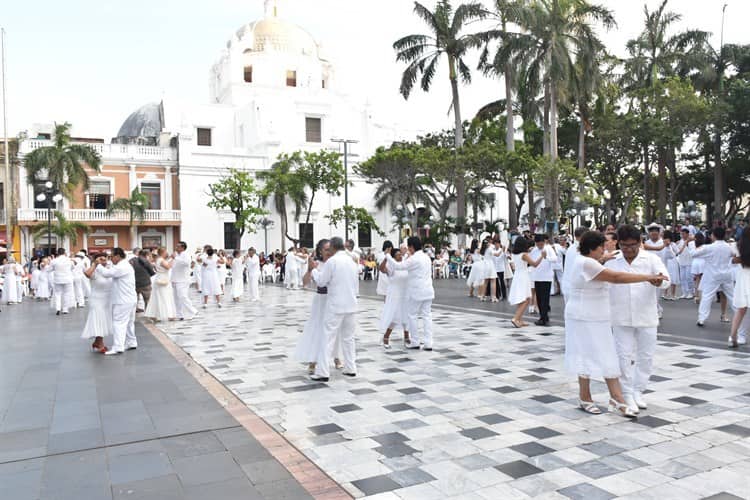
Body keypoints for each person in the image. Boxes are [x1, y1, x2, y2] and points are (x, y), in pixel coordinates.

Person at [565, 231, 666, 418]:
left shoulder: (589, 260)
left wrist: (607, 256)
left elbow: (604, 261)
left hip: (597, 315)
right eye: (602, 247)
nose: (605, 251)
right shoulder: (586, 263)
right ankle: (588, 397)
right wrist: (648, 277)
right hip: (583, 315)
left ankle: (616, 397)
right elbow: (616, 278)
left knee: (606, 355)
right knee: (586, 355)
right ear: (593, 248)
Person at [605, 225, 670, 414]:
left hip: (646, 315)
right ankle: (625, 394)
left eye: (632, 245)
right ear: (619, 243)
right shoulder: (612, 261)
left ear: (640, 243)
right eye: (624, 245)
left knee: (646, 356)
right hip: (620, 316)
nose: (628, 249)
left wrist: (659, 281)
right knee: (623, 357)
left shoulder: (651, 259)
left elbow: (667, 280)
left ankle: (638, 390)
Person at [311, 237, 359, 381]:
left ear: (333, 247)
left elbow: (321, 281)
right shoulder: (351, 261)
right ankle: (351, 367)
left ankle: (323, 372)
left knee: (328, 338)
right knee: (348, 338)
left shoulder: (332, 261)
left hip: (336, 305)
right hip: (351, 304)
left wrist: (313, 270)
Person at [386, 236, 435, 350]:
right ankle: (428, 343)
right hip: (428, 290)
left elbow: (398, 266)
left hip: (417, 292)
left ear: (412, 247)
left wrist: (388, 255)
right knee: (427, 316)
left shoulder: (414, 259)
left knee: (412, 316)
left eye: (408, 247)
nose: (408, 249)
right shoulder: (426, 257)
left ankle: (415, 341)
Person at [294, 239, 335, 374]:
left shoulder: (335, 262)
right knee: (318, 328)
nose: (329, 252)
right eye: (326, 249)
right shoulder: (317, 264)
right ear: (320, 251)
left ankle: (337, 356)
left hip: (334, 299)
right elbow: (305, 282)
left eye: (331, 249)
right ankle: (313, 359)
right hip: (321, 300)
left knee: (335, 328)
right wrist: (310, 269)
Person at [97, 247, 138, 355]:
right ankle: (131, 342)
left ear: (118, 256)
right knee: (129, 323)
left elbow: (107, 274)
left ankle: (118, 347)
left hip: (123, 300)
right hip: (129, 299)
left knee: (118, 323)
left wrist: (98, 265)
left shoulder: (122, 266)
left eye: (112, 256)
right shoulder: (123, 265)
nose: (110, 259)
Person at [694, 227, 737, 327]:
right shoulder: (729, 246)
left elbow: (694, 253)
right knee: (732, 296)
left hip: (713, 275)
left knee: (707, 296)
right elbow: (734, 254)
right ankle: (740, 315)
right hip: (726, 274)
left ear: (714, 236)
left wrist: (691, 244)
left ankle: (702, 319)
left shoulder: (709, 247)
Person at [378, 246, 411, 349]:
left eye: (400, 254)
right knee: (394, 316)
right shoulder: (392, 267)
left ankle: (407, 336)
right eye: (397, 255)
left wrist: (407, 253)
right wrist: (386, 258)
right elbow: (382, 269)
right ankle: (386, 337)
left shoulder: (404, 264)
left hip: (405, 293)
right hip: (395, 294)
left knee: (407, 315)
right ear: (393, 257)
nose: (399, 256)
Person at [508, 237, 544, 328]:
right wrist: (542, 256)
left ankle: (519, 319)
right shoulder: (524, 254)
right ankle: (516, 318)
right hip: (523, 276)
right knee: (527, 299)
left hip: (517, 275)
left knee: (521, 298)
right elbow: (535, 264)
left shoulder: (515, 254)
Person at [81, 253, 112, 353]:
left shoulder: (108, 269)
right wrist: (95, 264)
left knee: (103, 322)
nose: (103, 260)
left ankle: (97, 342)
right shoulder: (94, 270)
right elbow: (87, 274)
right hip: (97, 299)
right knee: (99, 320)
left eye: (105, 258)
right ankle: (100, 344)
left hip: (107, 299)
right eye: (101, 259)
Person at [530, 234, 558, 326]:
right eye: (538, 244)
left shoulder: (548, 248)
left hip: (546, 277)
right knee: (539, 298)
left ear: (544, 242)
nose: (540, 246)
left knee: (545, 298)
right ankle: (543, 316)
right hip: (537, 276)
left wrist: (546, 257)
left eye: (541, 244)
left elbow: (555, 259)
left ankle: (544, 317)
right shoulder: (534, 250)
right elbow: (531, 260)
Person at [729, 229, 750, 348]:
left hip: (742, 278)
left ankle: (733, 335)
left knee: (741, 310)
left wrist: (737, 259)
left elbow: (733, 259)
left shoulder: (737, 246)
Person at [144, 247, 177, 322]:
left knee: (158, 296)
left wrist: (170, 258)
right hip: (163, 279)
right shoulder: (161, 260)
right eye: (166, 252)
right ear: (163, 252)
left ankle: (156, 314)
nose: (167, 253)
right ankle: (167, 314)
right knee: (164, 296)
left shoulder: (158, 259)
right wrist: (173, 259)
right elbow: (168, 267)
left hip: (159, 278)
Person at [171, 242, 198, 321]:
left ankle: (192, 311)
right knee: (176, 298)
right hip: (175, 279)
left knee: (182, 296)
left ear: (182, 248)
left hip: (183, 280)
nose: (176, 247)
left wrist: (176, 258)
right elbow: (173, 267)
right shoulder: (177, 255)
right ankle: (179, 314)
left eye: (178, 246)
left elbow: (186, 263)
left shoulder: (186, 255)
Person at [50, 249, 74, 315]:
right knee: (66, 293)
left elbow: (50, 269)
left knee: (58, 294)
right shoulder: (69, 260)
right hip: (67, 278)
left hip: (57, 279)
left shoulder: (54, 260)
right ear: (64, 252)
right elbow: (72, 268)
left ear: (57, 253)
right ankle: (65, 309)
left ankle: (58, 308)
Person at [675, 228, 695, 299]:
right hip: (681, 262)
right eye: (681, 234)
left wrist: (688, 241)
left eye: (683, 234)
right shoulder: (679, 242)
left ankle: (691, 292)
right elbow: (677, 251)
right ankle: (684, 292)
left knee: (689, 277)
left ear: (687, 234)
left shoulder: (691, 242)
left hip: (689, 262)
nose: (682, 235)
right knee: (682, 278)